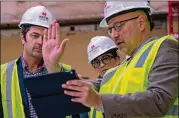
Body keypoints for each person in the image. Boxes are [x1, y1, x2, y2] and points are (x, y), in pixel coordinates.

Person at [62, 1, 178, 118]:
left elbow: (159, 100)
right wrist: (54, 66)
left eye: (118, 26)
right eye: (110, 29)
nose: (114, 35)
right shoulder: (119, 69)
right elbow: (92, 85)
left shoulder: (164, 48)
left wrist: (99, 101)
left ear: (141, 23)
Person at [0, 5, 76, 118]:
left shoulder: (65, 72)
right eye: (34, 36)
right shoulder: (3, 74)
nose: (40, 42)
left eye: (45, 37)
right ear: (22, 37)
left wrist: (53, 69)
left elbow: (73, 113)